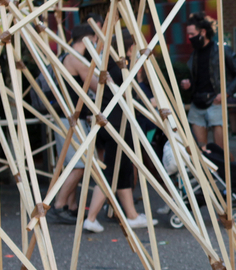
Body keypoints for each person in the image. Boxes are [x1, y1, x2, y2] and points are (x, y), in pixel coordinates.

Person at [83, 38, 157, 234]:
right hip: (118, 124)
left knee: (122, 169)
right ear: (128, 47)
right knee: (112, 171)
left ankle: (131, 215)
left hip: (114, 122)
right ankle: (91, 218)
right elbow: (129, 94)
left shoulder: (107, 65)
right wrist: (151, 101)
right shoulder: (119, 68)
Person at [45, 24, 99, 226]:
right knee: (81, 164)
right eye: (94, 40)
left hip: (66, 117)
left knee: (72, 164)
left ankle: (70, 206)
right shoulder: (76, 59)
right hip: (71, 119)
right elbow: (94, 84)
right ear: (87, 40)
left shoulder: (64, 56)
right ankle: (58, 206)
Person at [179, 12, 236, 151]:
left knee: (220, 152)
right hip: (197, 102)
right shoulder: (194, 54)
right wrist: (188, 84)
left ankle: (227, 172)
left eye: (192, 34)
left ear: (202, 32)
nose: (189, 38)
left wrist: (226, 93)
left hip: (215, 102)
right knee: (201, 151)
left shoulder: (221, 50)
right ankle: (209, 172)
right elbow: (198, 77)